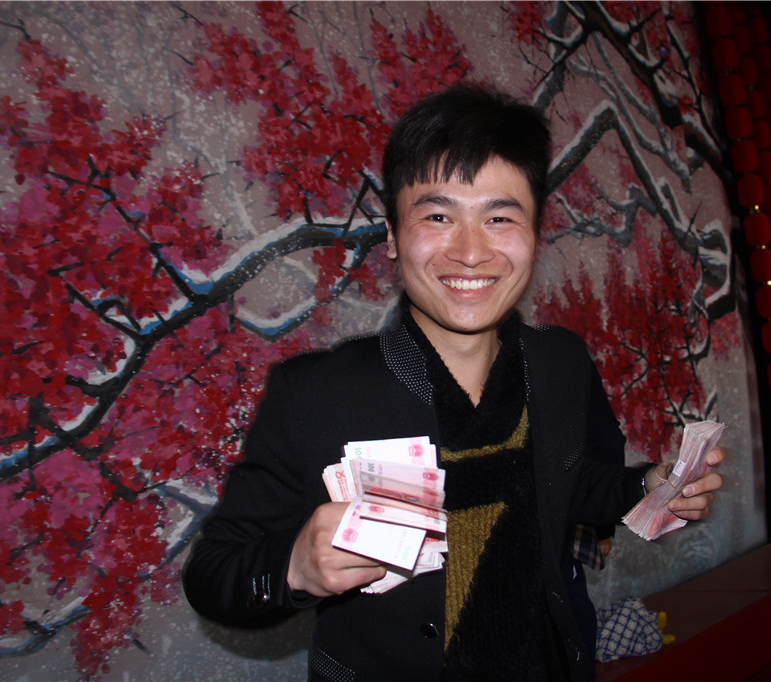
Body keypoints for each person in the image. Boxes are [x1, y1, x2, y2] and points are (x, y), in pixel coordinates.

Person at [182, 84, 725, 682]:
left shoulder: (560, 362)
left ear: (535, 233)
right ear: (393, 236)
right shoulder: (315, 394)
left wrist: (644, 486)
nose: (470, 252)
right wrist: (294, 567)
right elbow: (213, 575)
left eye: (499, 218)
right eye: (438, 216)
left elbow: (565, 488)